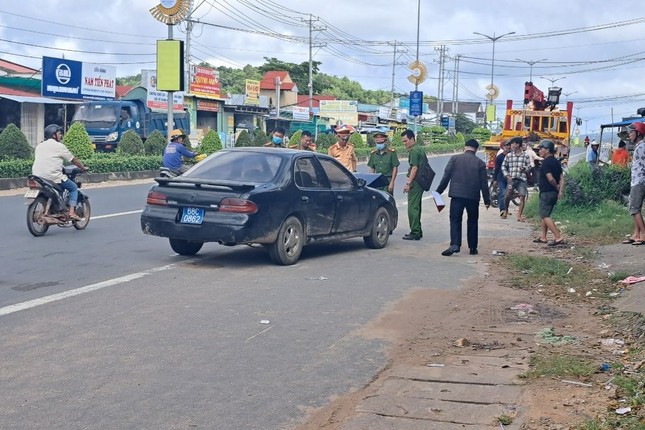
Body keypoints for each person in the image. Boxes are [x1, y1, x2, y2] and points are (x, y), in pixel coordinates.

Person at [436, 139, 491, 256]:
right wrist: (487, 200)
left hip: (457, 196)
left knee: (455, 219)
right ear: (476, 150)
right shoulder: (480, 163)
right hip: (473, 197)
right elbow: (484, 184)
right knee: (472, 221)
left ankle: (455, 244)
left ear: (465, 147)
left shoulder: (455, 159)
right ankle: (472, 247)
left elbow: (446, 176)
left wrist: (438, 191)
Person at [31, 124, 89, 220]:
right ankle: (71, 212)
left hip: (37, 176)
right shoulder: (59, 146)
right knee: (74, 188)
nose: (61, 135)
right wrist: (82, 167)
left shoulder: (39, 146)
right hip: (52, 177)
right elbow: (73, 159)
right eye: (59, 133)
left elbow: (47, 160)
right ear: (54, 135)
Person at [533, 140, 565, 246]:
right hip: (553, 194)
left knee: (544, 215)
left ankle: (558, 237)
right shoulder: (556, 162)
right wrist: (560, 191)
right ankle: (543, 237)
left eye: (541, 149)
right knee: (545, 215)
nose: (540, 151)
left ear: (547, 150)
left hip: (547, 192)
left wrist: (556, 187)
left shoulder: (546, 162)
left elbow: (550, 179)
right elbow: (561, 178)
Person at [401, 130, 426, 240]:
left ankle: (415, 231)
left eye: (405, 141)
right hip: (421, 181)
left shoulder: (414, 151)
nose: (404, 143)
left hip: (416, 182)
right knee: (417, 206)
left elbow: (414, 168)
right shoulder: (419, 148)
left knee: (412, 207)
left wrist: (408, 183)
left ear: (412, 139)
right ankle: (418, 230)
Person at [502, 136, 531, 221]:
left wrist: (524, 168)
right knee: (507, 196)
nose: (511, 145)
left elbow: (529, 166)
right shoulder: (509, 156)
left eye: (512, 143)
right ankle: (506, 211)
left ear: (517, 145)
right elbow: (503, 166)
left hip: (522, 179)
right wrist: (507, 176)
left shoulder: (525, 155)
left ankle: (519, 215)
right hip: (512, 179)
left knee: (522, 196)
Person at [625, 122, 645, 246]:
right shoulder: (639, 147)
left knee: (634, 209)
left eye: (632, 132)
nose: (629, 135)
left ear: (638, 133)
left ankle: (643, 234)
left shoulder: (642, 147)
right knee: (634, 207)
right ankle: (636, 234)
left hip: (639, 181)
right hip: (637, 181)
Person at [492, 140, 512, 218]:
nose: (508, 146)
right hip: (501, 178)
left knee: (508, 195)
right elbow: (496, 169)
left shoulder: (512, 156)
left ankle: (506, 210)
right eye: (506, 145)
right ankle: (502, 210)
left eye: (509, 145)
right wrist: (495, 179)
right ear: (503, 147)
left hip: (510, 178)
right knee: (502, 193)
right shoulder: (500, 157)